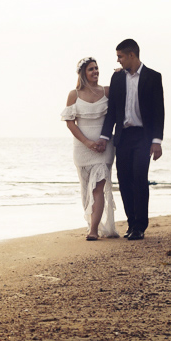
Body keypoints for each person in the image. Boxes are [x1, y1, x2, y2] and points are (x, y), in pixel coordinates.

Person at [99, 38, 164, 241]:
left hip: (143, 137)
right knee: (125, 181)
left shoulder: (153, 77)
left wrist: (157, 141)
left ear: (131, 55)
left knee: (139, 179)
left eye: (120, 56)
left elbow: (158, 111)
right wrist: (104, 136)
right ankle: (131, 223)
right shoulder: (117, 78)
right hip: (123, 137)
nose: (118, 60)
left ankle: (140, 226)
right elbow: (112, 112)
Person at [61, 57, 117, 240]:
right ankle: (93, 224)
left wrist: (120, 75)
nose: (95, 71)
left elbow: (118, 110)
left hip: (104, 148)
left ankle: (94, 230)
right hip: (83, 149)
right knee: (87, 189)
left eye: (97, 68)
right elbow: (70, 123)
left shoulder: (108, 91)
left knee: (98, 186)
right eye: (91, 69)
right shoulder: (74, 95)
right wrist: (87, 142)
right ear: (83, 73)